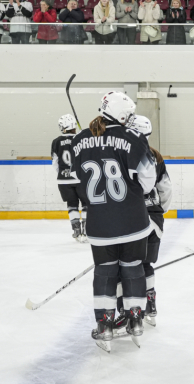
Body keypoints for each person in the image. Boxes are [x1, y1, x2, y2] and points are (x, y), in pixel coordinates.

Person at [70, 91, 156, 352]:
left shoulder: (79, 139)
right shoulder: (134, 138)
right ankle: (136, 319)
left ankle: (105, 324)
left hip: (100, 223)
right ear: (123, 115)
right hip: (133, 221)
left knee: (105, 272)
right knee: (133, 268)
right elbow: (148, 180)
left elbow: (77, 181)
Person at [114, 115, 172, 330]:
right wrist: (158, 211)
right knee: (145, 264)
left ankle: (125, 311)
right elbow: (166, 189)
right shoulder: (155, 155)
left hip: (129, 219)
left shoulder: (119, 153)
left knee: (122, 266)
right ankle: (150, 305)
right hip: (154, 219)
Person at [51, 114, 87, 242]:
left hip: (63, 180)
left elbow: (55, 163)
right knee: (86, 204)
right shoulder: (82, 139)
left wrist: (64, 173)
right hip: (81, 179)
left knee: (72, 204)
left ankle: (76, 230)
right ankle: (86, 230)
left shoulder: (56, 142)